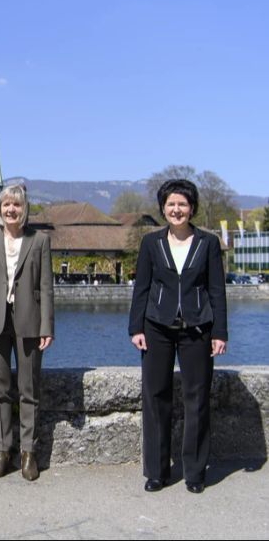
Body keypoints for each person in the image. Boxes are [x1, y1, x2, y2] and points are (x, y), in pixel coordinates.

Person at [128, 179, 227, 494]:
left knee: (196, 399)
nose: (176, 209)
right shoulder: (151, 243)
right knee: (156, 396)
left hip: (198, 329)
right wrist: (136, 327)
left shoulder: (208, 243)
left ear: (192, 208)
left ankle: (195, 472)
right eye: (171, 204)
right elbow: (141, 287)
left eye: (182, 204)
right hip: (156, 327)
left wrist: (219, 332)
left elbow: (216, 291)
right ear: (163, 208)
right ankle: (157, 472)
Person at [0, 184, 54, 481]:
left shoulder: (39, 240)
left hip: (29, 321)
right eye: (6, 204)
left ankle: (29, 453)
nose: (11, 210)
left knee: (29, 390)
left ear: (24, 209)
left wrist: (47, 326)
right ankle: (2, 452)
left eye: (16, 205)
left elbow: (46, 287)